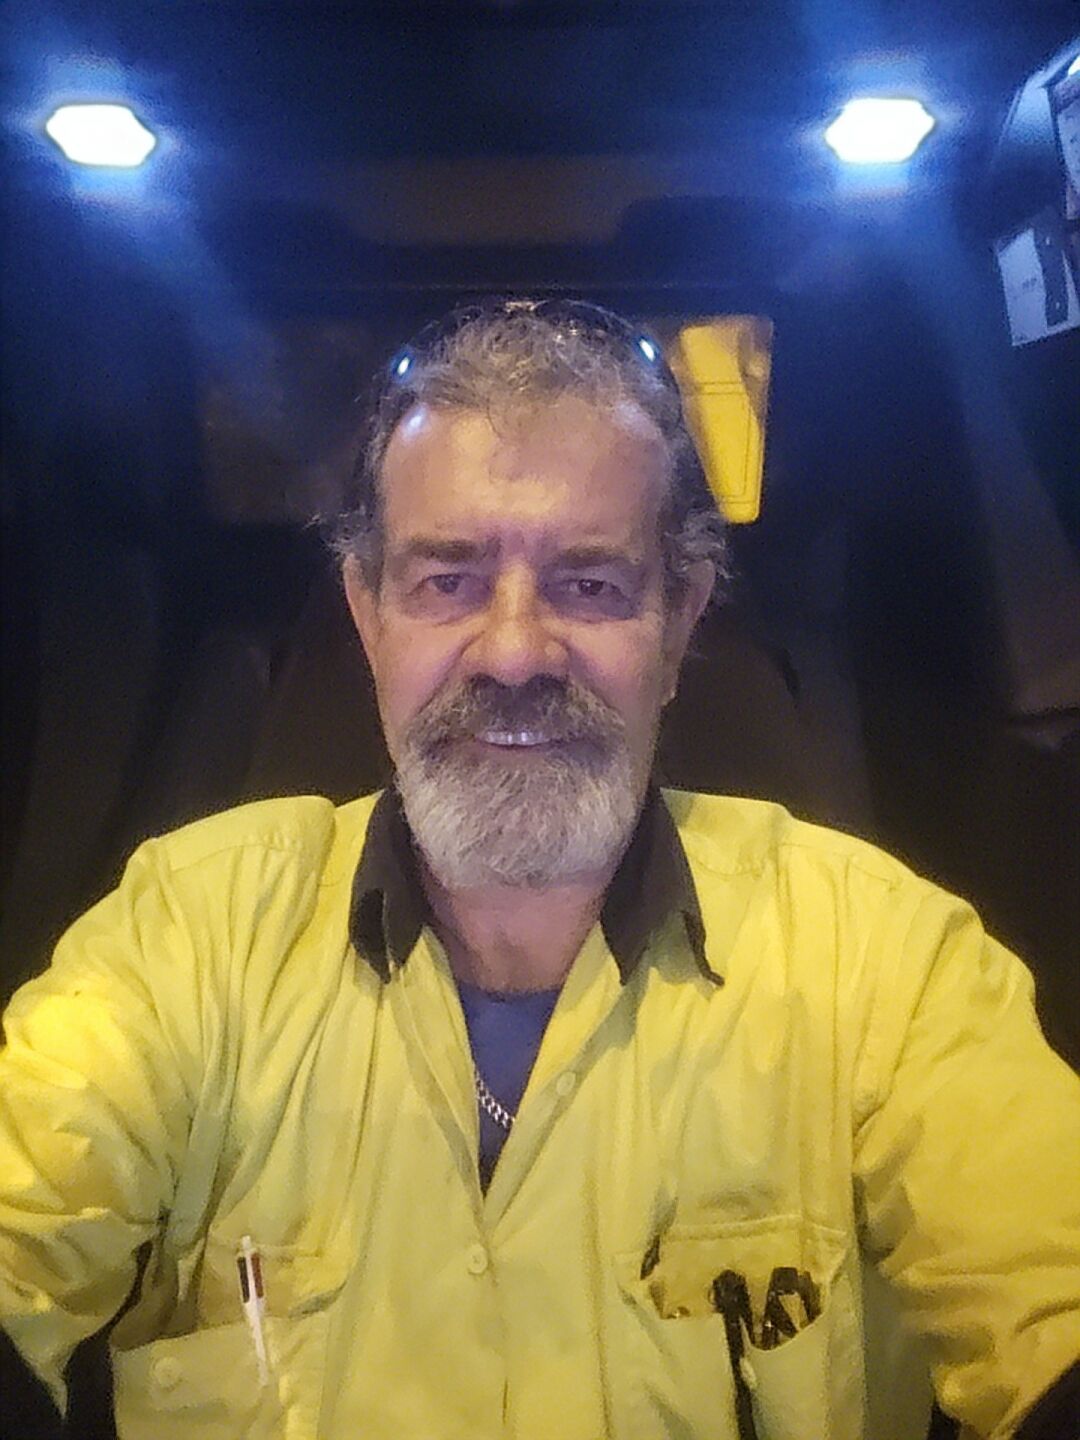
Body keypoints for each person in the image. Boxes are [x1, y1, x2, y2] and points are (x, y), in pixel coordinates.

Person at [0, 299, 1077, 1440]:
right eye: (448, 581)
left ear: (678, 625)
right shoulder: (184, 934)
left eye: (590, 584)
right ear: (367, 615)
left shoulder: (885, 960)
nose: (515, 653)